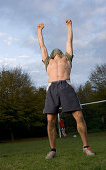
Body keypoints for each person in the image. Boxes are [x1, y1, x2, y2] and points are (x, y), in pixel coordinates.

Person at [38, 19, 95, 159]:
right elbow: (42, 46)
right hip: (52, 88)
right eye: (54, 51)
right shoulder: (48, 61)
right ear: (52, 54)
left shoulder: (67, 58)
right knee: (50, 120)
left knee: (79, 116)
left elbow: (69, 41)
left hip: (66, 86)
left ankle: (86, 147)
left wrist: (70, 26)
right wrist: (39, 31)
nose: (56, 51)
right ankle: (52, 150)